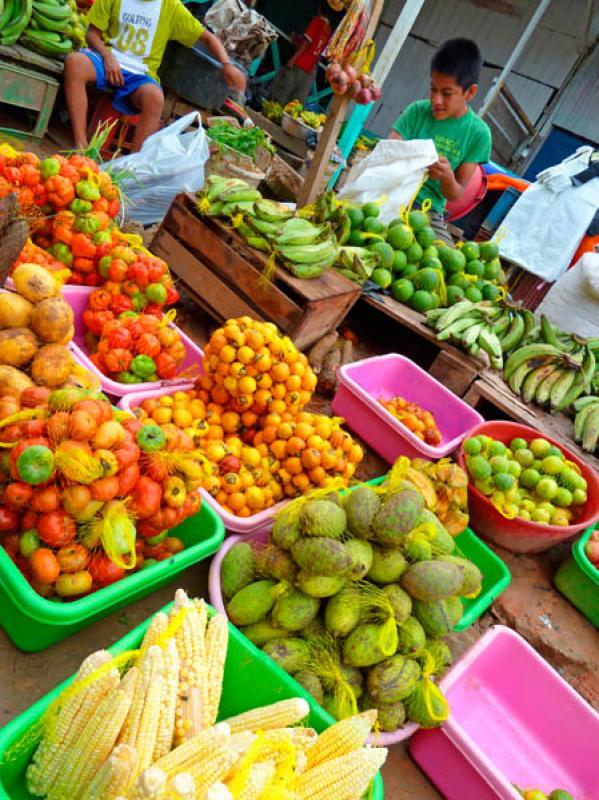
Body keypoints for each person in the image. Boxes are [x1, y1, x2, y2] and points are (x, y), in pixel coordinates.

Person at [64, 0, 247, 153]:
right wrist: (108, 57)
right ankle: (81, 147)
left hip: (141, 73)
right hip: (107, 60)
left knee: (155, 98)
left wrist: (227, 65)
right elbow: (92, 34)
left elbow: (207, 37)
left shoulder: (171, 7)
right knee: (75, 63)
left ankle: (133, 166)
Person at [390, 38, 492, 243]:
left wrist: (447, 178)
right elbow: (388, 152)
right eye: (433, 89)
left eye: (447, 93)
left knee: (443, 267)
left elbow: (455, 193)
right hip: (392, 194)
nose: (436, 100)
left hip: (428, 211)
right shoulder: (417, 111)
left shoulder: (479, 134)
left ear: (470, 92)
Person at [270, 4, 332, 107]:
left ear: (319, 9)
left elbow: (306, 43)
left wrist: (293, 59)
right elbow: (316, 47)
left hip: (301, 62)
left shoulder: (317, 21)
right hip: (311, 67)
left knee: (285, 90)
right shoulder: (328, 29)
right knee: (297, 98)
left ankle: (275, 112)